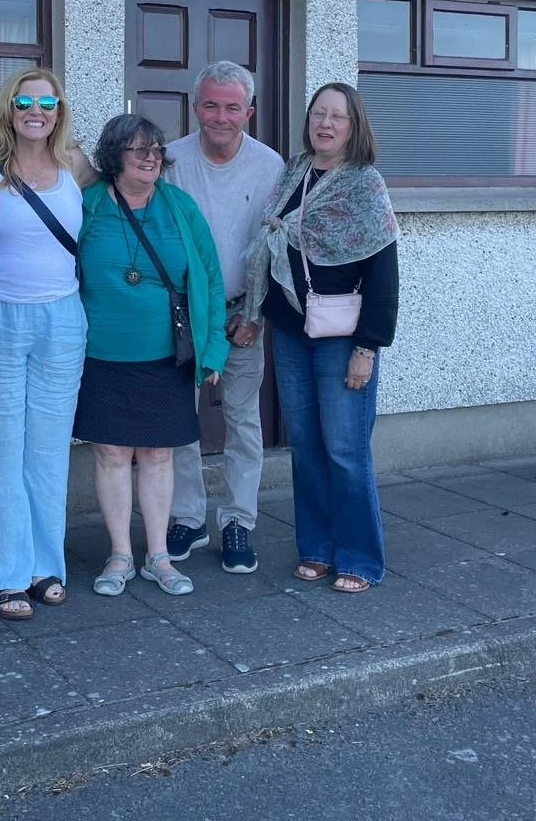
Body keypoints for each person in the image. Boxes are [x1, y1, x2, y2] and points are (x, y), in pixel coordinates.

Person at [242, 83, 399, 595]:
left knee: (346, 449)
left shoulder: (364, 184)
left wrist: (367, 347)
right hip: (291, 331)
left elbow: (383, 272)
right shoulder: (295, 173)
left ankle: (358, 556)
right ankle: (316, 548)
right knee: (307, 446)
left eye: (337, 117)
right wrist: (254, 313)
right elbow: (273, 246)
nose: (325, 124)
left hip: (343, 336)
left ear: (354, 127)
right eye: (318, 114)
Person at [0, 68, 95, 619]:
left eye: (47, 101)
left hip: (61, 320)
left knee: (45, 447)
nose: (35, 110)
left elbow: (138, 177)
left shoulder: (77, 166)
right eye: (24, 101)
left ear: (58, 110)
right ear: (7, 108)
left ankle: (43, 564)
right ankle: (3, 571)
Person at [74, 115, 227, 598]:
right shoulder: (88, 205)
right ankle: (120, 554)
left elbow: (211, 279)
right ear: (114, 156)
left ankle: (158, 554)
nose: (150, 158)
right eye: (138, 150)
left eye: (157, 150)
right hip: (101, 353)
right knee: (112, 453)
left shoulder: (180, 207)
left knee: (159, 455)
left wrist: (214, 348)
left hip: (166, 355)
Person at [163, 61, 284, 575]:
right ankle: (188, 518)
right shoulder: (169, 159)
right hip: (183, 315)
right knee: (180, 423)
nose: (220, 116)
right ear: (196, 108)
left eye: (232, 107)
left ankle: (239, 520)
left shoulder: (270, 165)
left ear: (249, 112)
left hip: (243, 314)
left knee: (243, 421)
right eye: (210, 105)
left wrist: (256, 312)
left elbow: (271, 246)